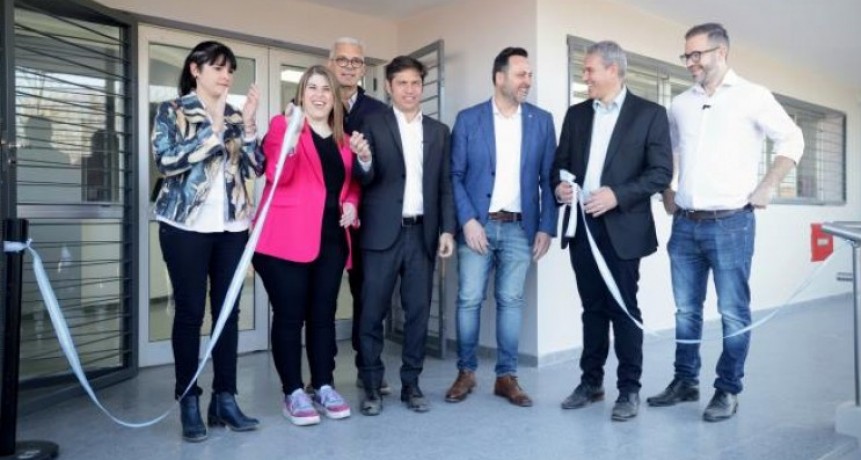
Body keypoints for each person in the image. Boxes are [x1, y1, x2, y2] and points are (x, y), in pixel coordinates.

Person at [647, 23, 804, 422]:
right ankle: (686, 381)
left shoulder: (754, 96)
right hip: (684, 224)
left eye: (696, 54)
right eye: (686, 56)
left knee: (733, 311)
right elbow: (672, 152)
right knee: (686, 310)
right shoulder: (681, 103)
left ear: (722, 52)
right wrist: (668, 190)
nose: (690, 63)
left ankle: (727, 388)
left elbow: (793, 139)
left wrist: (768, 186)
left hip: (732, 223)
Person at [552, 41, 672, 421]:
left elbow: (660, 173)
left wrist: (617, 195)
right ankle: (591, 383)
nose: (584, 77)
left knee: (624, 309)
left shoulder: (650, 114)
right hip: (582, 227)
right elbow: (561, 164)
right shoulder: (575, 115)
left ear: (613, 71)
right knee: (592, 309)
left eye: (589, 70)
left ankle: (628, 390)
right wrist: (560, 187)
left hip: (624, 228)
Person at [151, 40, 262, 442]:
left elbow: (258, 166)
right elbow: (165, 162)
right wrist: (213, 136)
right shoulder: (173, 110)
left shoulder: (235, 114)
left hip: (231, 227)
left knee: (228, 314)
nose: (226, 75)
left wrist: (248, 126)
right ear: (195, 69)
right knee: (190, 312)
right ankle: (189, 399)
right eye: (217, 67)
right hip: (184, 227)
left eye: (230, 69)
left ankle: (226, 399)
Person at [446, 47, 557, 408]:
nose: (528, 81)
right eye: (521, 74)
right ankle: (466, 372)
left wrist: (546, 227)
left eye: (530, 75)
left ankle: (506, 377)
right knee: (468, 300)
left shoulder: (542, 121)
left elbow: (547, 179)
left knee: (511, 302)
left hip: (519, 229)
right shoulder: (468, 119)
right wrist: (467, 221)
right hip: (477, 226)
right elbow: (456, 175)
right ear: (499, 78)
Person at [252, 65, 361, 426]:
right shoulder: (284, 126)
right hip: (284, 239)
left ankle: (324, 385)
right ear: (301, 94)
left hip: (330, 241)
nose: (319, 95)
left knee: (322, 317)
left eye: (326, 89)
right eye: (311, 88)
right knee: (289, 316)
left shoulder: (343, 139)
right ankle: (293, 391)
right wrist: (292, 135)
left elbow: (349, 185)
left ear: (335, 97)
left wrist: (350, 203)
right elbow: (276, 174)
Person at [352, 55, 456, 416]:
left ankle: (411, 384)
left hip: (422, 234)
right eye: (402, 83)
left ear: (422, 87)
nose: (409, 90)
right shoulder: (372, 122)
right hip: (382, 234)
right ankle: (371, 384)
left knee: (417, 313)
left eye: (415, 83)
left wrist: (447, 230)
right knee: (371, 312)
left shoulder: (439, 132)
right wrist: (363, 161)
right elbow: (364, 177)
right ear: (391, 87)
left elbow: (445, 186)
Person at [325, 37, 390, 395]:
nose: (349, 66)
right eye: (342, 60)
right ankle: (323, 375)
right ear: (330, 62)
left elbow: (383, 167)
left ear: (363, 69)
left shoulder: (379, 112)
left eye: (356, 62)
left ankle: (370, 373)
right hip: (324, 222)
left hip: (368, 223)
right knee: (321, 301)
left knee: (368, 301)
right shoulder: (312, 102)